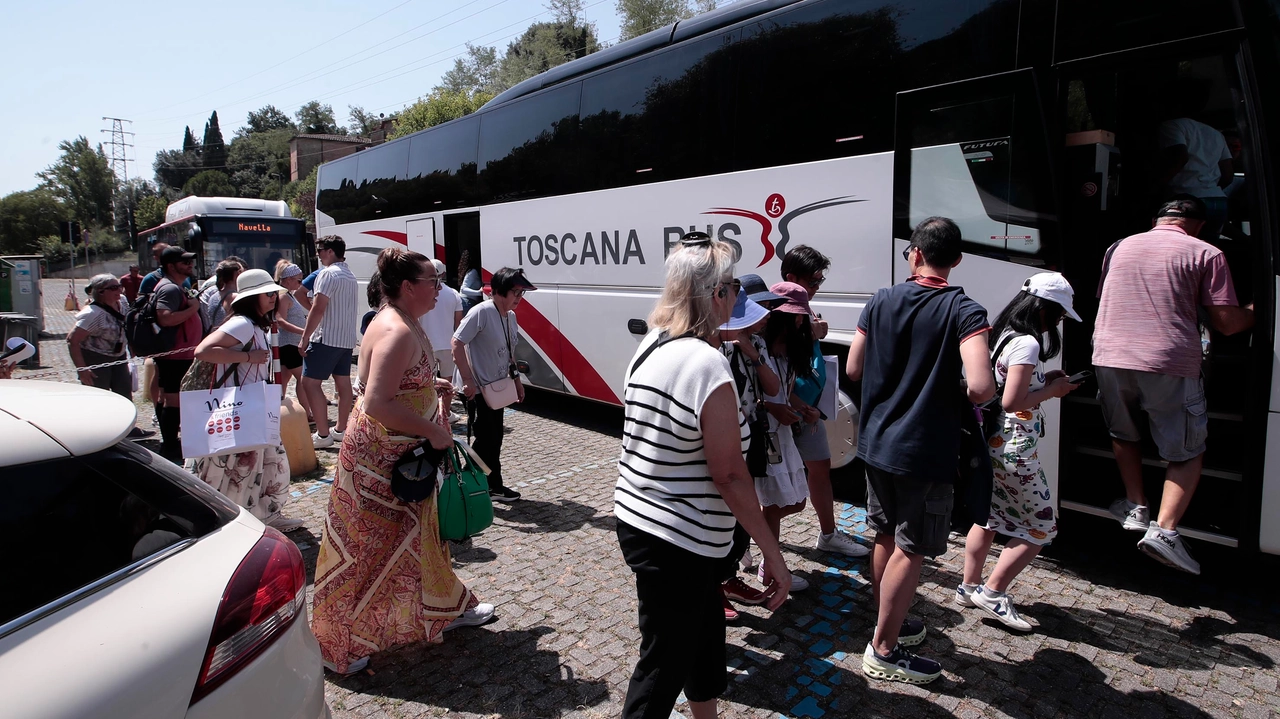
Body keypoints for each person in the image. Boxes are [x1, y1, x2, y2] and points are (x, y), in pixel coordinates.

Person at [615, 232, 791, 719]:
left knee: (705, 632)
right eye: (734, 285)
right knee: (662, 662)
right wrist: (773, 555)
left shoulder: (652, 343)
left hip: (647, 520)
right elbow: (730, 475)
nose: (739, 295)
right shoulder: (706, 363)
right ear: (717, 294)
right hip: (677, 537)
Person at [311, 247, 493, 677]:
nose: (440, 289)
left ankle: (447, 605)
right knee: (365, 549)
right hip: (383, 460)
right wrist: (433, 430)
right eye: (432, 281)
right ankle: (336, 641)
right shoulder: (396, 329)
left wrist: (431, 383)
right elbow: (376, 401)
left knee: (422, 538)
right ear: (409, 287)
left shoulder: (398, 318)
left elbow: (396, 380)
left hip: (396, 455)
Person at [846, 216, 995, 684]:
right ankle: (884, 650)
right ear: (956, 261)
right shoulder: (965, 311)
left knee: (884, 534)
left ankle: (885, 622)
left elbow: (853, 367)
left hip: (875, 442)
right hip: (923, 450)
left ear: (914, 254)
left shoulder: (880, 300)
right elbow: (980, 387)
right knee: (910, 548)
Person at [1094, 197, 1254, 575]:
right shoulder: (1207, 252)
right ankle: (1164, 531)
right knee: (1185, 451)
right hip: (1168, 361)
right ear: (1198, 225)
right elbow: (1227, 323)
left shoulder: (1118, 246)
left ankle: (1136, 504)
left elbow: (1107, 298)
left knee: (1123, 431)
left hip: (1109, 353)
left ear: (1156, 220)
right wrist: (1257, 309)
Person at [957, 273, 1081, 631]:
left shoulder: (1004, 335)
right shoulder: (1027, 343)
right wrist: (1053, 391)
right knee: (1042, 526)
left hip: (993, 441)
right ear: (1044, 308)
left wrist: (1045, 379)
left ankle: (968, 586)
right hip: (1016, 449)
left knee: (990, 516)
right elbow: (1013, 401)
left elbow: (1005, 385)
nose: (1058, 321)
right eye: (1058, 314)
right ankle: (994, 592)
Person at [187, 269, 305, 533]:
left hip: (252, 405)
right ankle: (245, 521)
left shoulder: (254, 324)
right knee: (243, 470)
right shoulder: (241, 324)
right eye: (267, 294)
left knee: (265, 465)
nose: (273, 298)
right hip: (240, 407)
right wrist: (248, 358)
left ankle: (262, 516)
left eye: (273, 293)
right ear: (252, 298)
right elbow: (203, 351)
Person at [780, 246, 868, 559]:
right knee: (778, 489)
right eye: (813, 282)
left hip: (811, 413)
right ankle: (758, 546)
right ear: (792, 278)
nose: (817, 287)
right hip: (787, 415)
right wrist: (795, 405)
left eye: (820, 280)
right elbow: (771, 372)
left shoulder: (808, 313)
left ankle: (828, 535)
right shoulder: (780, 317)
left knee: (821, 470)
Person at [716, 284, 781, 620]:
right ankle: (717, 584)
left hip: (752, 431)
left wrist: (753, 354)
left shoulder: (755, 344)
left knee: (746, 504)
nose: (762, 321)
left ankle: (728, 579)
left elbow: (773, 387)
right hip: (724, 437)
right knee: (723, 509)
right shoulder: (716, 348)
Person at [452, 267, 536, 503]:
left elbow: (510, 352)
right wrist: (467, 380)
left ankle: (486, 485)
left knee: (493, 438)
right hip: (477, 388)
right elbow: (456, 343)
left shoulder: (509, 316)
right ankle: (476, 485)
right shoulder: (482, 312)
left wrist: (517, 381)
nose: (519, 298)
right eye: (516, 292)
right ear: (499, 291)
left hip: (497, 387)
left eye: (522, 293)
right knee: (486, 439)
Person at [67, 274, 153, 439]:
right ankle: (100, 433)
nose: (119, 290)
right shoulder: (93, 314)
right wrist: (82, 369)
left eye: (119, 286)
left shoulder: (121, 302)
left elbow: (125, 324)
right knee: (100, 395)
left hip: (118, 355)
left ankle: (127, 429)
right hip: (96, 357)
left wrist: (131, 345)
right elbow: (72, 340)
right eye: (113, 288)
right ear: (100, 292)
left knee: (124, 391)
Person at [299, 236, 359, 449]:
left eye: (321, 250)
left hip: (327, 337)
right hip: (345, 338)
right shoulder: (350, 275)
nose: (319, 254)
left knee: (309, 383)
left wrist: (305, 337)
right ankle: (341, 429)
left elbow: (318, 307)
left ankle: (323, 434)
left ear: (331, 251)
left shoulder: (327, 274)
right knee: (342, 383)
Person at [153, 246, 204, 460]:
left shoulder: (177, 285)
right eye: (184, 262)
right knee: (173, 402)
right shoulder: (169, 289)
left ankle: (175, 444)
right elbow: (164, 317)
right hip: (176, 355)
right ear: (170, 266)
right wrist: (193, 308)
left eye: (189, 261)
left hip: (182, 354)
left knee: (177, 400)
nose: (189, 265)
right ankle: (171, 447)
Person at [1159, 114, 1233, 242]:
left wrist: (1157, 186)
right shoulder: (1216, 134)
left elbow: (1179, 157)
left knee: (1181, 249)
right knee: (1208, 248)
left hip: (1185, 201)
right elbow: (1228, 174)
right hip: (1217, 200)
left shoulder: (1172, 126)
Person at [273, 261, 314, 425]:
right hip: (289, 344)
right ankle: (306, 413)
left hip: (288, 343)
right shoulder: (283, 296)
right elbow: (280, 320)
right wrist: (303, 332)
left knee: (282, 380)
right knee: (303, 379)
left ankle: (278, 411)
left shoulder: (287, 294)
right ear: (288, 279)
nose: (301, 283)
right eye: (298, 280)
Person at [421, 259, 464, 379]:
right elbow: (458, 324)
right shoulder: (454, 294)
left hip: (427, 345)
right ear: (444, 274)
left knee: (428, 383)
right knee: (447, 384)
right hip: (447, 344)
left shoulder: (421, 295)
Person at [199, 259, 244, 334]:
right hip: (232, 339)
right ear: (238, 274)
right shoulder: (236, 297)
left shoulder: (213, 296)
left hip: (217, 337)